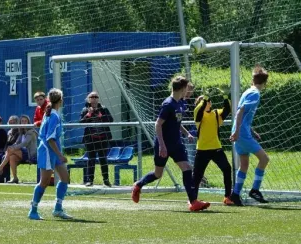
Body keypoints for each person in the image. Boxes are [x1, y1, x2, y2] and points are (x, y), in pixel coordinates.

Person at [131, 76, 210, 212]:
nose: (188, 90)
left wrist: (186, 134)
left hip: (177, 144)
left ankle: (193, 202)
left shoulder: (181, 103)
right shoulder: (168, 104)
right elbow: (158, 125)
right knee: (158, 174)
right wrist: (162, 145)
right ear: (182, 88)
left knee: (187, 168)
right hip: (164, 145)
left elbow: (176, 122)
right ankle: (139, 184)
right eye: (187, 88)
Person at [28, 88, 72, 220]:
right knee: (45, 181)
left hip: (53, 150)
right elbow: (50, 139)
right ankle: (33, 210)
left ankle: (58, 209)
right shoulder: (53, 116)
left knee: (65, 178)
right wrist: (60, 155)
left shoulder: (52, 114)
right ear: (60, 100)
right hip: (48, 151)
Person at [229, 65, 270, 205]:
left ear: (253, 80)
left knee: (244, 164)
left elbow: (243, 115)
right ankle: (255, 190)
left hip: (241, 132)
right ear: (264, 83)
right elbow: (240, 111)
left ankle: (235, 194)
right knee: (264, 159)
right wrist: (237, 132)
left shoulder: (248, 91)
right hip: (241, 134)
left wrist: (252, 131)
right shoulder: (255, 94)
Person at [193, 90, 233, 205]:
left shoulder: (215, 114)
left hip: (216, 149)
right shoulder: (197, 113)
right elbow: (199, 110)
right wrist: (205, 98)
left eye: (209, 101)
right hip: (202, 150)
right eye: (205, 101)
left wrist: (225, 96)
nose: (208, 103)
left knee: (227, 169)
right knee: (197, 176)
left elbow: (227, 109)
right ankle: (193, 200)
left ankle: (227, 197)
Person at [0, 115, 38, 184]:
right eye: (22, 121)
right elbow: (16, 143)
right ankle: (15, 178)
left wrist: (12, 148)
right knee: (12, 157)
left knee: (11, 150)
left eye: (25, 121)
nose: (24, 123)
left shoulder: (31, 132)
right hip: (21, 153)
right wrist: (11, 147)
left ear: (28, 122)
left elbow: (24, 144)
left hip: (31, 154)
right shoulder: (21, 132)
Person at [80, 92, 113, 187]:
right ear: (88, 99)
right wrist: (89, 114)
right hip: (90, 139)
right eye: (92, 97)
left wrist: (100, 115)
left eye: (96, 97)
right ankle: (90, 180)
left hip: (102, 138)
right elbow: (81, 122)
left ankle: (106, 180)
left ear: (98, 99)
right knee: (91, 159)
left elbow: (111, 120)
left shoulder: (104, 109)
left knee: (103, 159)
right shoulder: (85, 109)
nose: (94, 99)